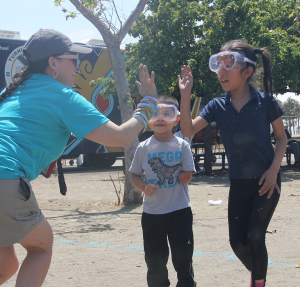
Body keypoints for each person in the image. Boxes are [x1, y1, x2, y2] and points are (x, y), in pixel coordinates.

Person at [0, 29, 157, 287]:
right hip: (4, 176)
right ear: (53, 63)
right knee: (41, 246)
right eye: (72, 59)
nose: (76, 66)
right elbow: (122, 137)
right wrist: (148, 103)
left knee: (6, 264)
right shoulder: (63, 96)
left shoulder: (11, 92)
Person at [178, 40, 287, 287]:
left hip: (266, 180)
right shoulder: (217, 106)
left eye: (229, 64)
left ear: (247, 71)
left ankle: (258, 282)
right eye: (219, 64)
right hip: (239, 182)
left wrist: (273, 171)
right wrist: (185, 95)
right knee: (238, 243)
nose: (222, 71)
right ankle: (258, 269)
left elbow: (281, 138)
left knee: (256, 238)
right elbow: (186, 129)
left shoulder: (266, 101)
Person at [130, 94, 196, 287]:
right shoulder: (143, 147)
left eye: (167, 114)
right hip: (152, 214)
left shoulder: (183, 145)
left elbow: (187, 174)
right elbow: (134, 175)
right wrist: (143, 187)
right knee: (155, 260)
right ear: (148, 120)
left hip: (180, 211)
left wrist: (181, 177)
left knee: (183, 258)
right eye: (155, 114)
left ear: (176, 120)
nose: (160, 118)